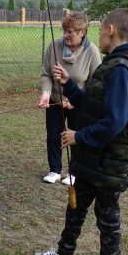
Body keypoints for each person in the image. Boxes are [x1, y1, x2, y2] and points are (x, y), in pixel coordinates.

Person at [32, 8, 128, 255]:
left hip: (109, 161)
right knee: (76, 206)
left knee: (107, 217)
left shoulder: (123, 69)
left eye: (100, 29)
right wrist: (70, 87)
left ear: (111, 30)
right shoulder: (115, 63)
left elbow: (114, 121)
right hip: (95, 159)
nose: (98, 35)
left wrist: (79, 137)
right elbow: (96, 104)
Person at [38, 11, 101, 184]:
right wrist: (46, 93)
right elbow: (46, 74)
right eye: (64, 30)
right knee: (53, 134)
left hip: (79, 103)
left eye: (70, 31)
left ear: (82, 32)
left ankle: (75, 172)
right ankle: (54, 170)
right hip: (55, 100)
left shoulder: (92, 52)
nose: (65, 35)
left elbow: (96, 85)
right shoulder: (54, 46)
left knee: (76, 135)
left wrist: (75, 101)